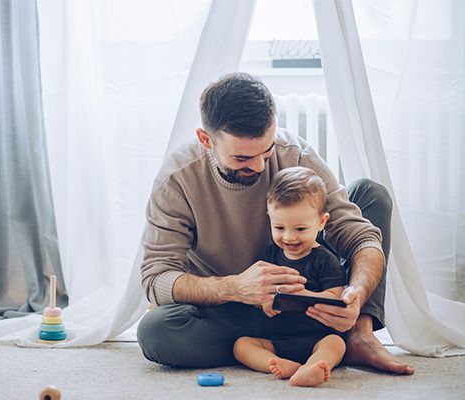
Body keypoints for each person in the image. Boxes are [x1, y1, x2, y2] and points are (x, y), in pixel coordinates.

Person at [137, 72, 414, 375]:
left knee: (371, 195)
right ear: (206, 140)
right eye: (242, 158)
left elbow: (360, 238)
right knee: (156, 332)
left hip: (313, 305)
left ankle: (358, 333)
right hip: (237, 311)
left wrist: (355, 294)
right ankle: (291, 346)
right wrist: (236, 287)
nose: (258, 166)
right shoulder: (177, 179)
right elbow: (156, 278)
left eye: (266, 151)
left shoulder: (295, 155)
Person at [233, 166, 347, 387]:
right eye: (279, 227)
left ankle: (313, 366)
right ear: (269, 219)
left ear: (321, 222)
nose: (289, 237)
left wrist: (306, 296)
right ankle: (279, 364)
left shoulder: (324, 259)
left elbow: (336, 297)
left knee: (336, 344)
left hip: (316, 337)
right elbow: (257, 291)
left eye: (300, 229)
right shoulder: (269, 256)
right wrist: (264, 302)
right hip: (275, 339)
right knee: (241, 345)